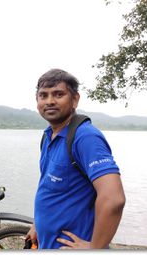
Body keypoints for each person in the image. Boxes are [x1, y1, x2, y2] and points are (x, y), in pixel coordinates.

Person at [26, 68, 125, 249]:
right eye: (43, 95)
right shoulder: (49, 135)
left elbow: (113, 199)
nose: (50, 101)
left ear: (75, 99)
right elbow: (49, 188)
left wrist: (95, 248)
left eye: (58, 94)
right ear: (37, 101)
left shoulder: (85, 137)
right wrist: (37, 224)